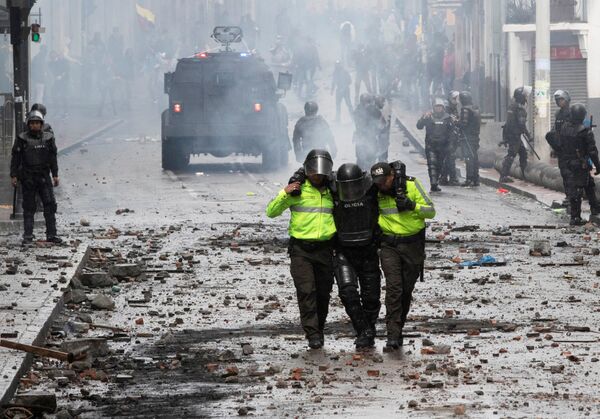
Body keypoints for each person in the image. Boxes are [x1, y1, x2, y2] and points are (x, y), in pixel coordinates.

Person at [288, 163, 381, 349]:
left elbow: (390, 172)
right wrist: (296, 178)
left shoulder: (371, 187)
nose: (350, 191)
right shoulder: (332, 185)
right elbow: (313, 169)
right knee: (347, 292)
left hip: (368, 250)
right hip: (343, 250)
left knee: (371, 297)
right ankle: (363, 330)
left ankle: (367, 331)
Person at [266, 150, 336, 349]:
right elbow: (271, 212)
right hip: (301, 251)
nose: (317, 176)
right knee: (306, 291)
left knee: (323, 293)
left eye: (321, 173)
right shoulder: (297, 190)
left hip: (325, 250)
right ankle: (312, 333)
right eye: (314, 172)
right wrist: (284, 193)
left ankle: (319, 328)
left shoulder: (332, 191)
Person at [370, 161, 435, 349]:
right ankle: (392, 335)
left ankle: (398, 328)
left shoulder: (412, 186)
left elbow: (431, 211)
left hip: (412, 245)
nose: (381, 185)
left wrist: (412, 205)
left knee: (406, 291)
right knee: (394, 289)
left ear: (392, 176)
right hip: (389, 246)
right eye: (378, 182)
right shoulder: (376, 191)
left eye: (384, 181)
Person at [10, 111, 61, 244]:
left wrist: (55, 175)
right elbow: (16, 158)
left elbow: (53, 158)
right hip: (28, 177)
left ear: (41, 124)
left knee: (49, 206)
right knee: (29, 207)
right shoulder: (22, 138)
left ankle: (51, 235)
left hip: (44, 176)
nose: (34, 126)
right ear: (29, 124)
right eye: (32, 123)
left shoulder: (48, 138)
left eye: (37, 123)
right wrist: (14, 175)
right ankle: (28, 236)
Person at [546, 104, 600, 225]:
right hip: (580, 164)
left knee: (588, 184)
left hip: (566, 162)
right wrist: (598, 165)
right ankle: (575, 218)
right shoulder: (585, 132)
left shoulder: (564, 128)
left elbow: (552, 137)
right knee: (578, 190)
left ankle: (595, 207)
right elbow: (592, 151)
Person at [417, 98, 453, 192]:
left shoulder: (448, 118)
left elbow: (452, 132)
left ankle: (435, 182)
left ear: (443, 107)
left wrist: (450, 145)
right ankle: (433, 183)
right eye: (437, 106)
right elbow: (419, 126)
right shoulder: (428, 116)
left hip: (443, 146)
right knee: (432, 165)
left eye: (440, 107)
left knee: (439, 165)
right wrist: (423, 118)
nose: (438, 108)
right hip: (431, 145)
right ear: (433, 107)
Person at [499, 86, 532, 183]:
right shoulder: (519, 108)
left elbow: (509, 122)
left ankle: (524, 174)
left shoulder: (512, 106)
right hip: (515, 135)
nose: (526, 98)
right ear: (521, 97)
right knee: (511, 155)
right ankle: (503, 176)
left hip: (511, 134)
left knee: (523, 153)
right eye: (525, 96)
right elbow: (522, 125)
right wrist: (528, 135)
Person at [458, 91, 481, 186]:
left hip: (467, 137)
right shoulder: (475, 108)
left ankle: (469, 179)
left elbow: (463, 123)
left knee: (468, 158)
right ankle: (476, 178)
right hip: (475, 136)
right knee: (474, 157)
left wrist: (456, 122)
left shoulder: (465, 110)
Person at [440, 91, 460, 185]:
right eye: (454, 98)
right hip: (447, 136)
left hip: (453, 136)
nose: (456, 101)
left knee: (449, 157)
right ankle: (451, 178)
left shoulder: (453, 108)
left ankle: (444, 178)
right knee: (450, 157)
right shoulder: (447, 109)